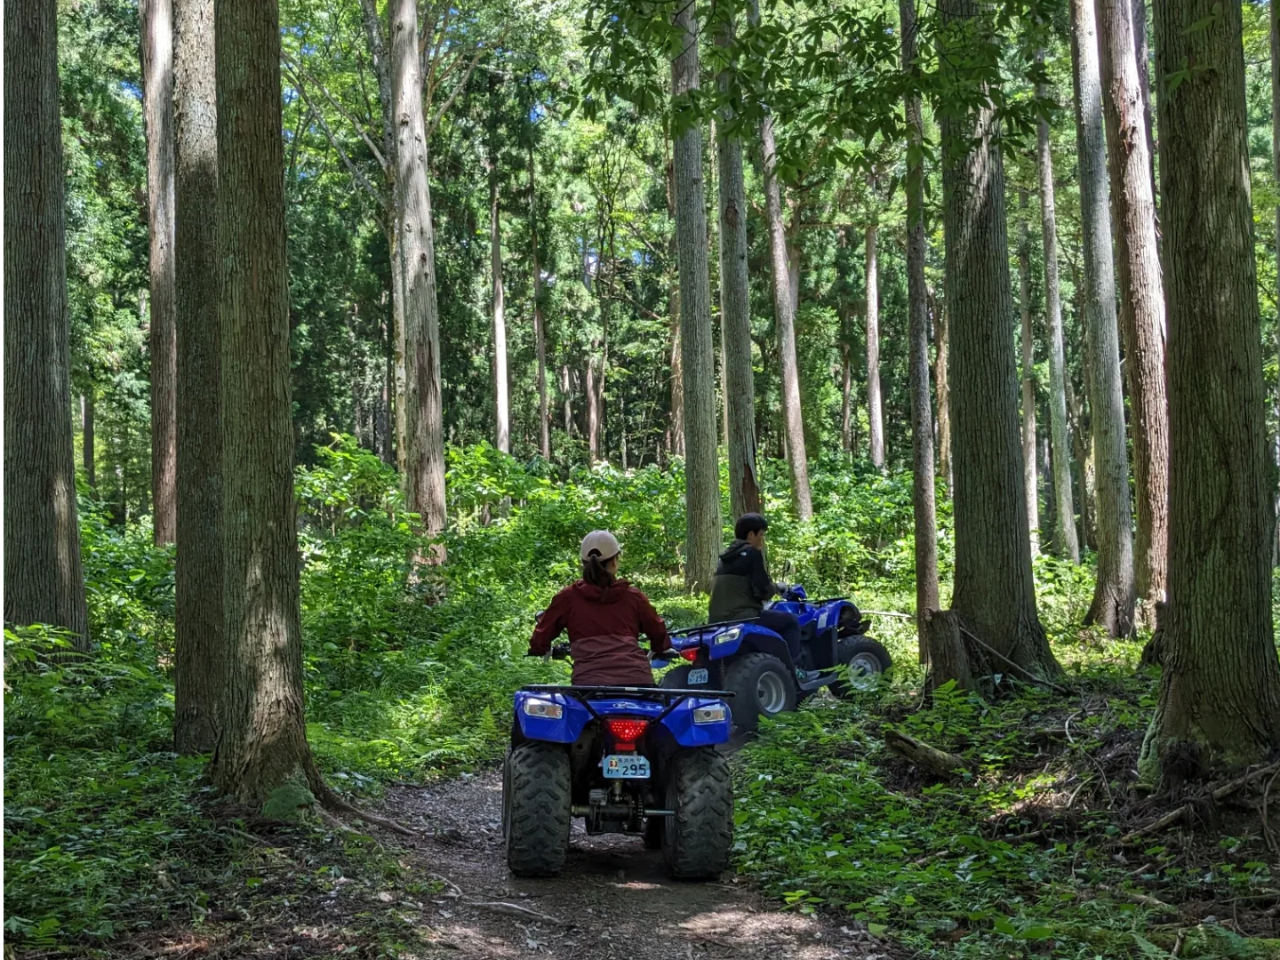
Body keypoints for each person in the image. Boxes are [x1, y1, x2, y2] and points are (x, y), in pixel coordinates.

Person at [528, 530, 671, 687]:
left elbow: (541, 636)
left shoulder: (567, 598)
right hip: (638, 682)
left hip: (588, 685)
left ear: (583, 563)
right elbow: (658, 632)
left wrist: (539, 648)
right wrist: (659, 647)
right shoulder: (633, 597)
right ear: (615, 561)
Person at [708, 513, 814, 680]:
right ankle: (795, 671)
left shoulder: (725, 558)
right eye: (761, 535)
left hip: (717, 621)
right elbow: (762, 590)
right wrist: (777, 588)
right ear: (751, 535)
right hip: (743, 616)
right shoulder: (752, 553)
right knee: (791, 622)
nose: (762, 540)